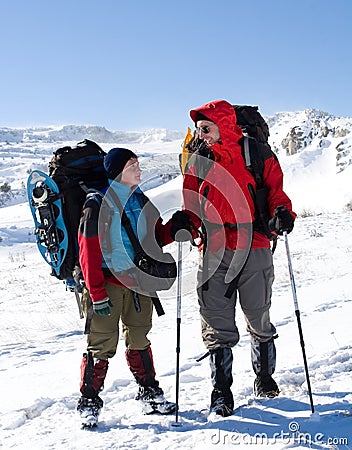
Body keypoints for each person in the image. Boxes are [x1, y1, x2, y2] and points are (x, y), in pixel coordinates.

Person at [170, 99, 296, 417]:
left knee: (258, 315)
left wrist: (283, 213)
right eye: (199, 129)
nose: (201, 134)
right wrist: (186, 222)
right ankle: (221, 392)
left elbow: (276, 191)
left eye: (206, 128)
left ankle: (265, 379)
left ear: (223, 125)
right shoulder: (198, 162)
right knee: (215, 322)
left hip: (254, 244)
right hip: (213, 250)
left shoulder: (256, 153)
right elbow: (193, 204)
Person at [76, 147, 176, 428]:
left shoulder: (140, 200)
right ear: (119, 171)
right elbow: (88, 253)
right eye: (133, 164)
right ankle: (89, 402)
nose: (140, 169)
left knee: (140, 340)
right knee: (100, 346)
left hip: (138, 284)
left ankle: (150, 394)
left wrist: (177, 228)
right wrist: (96, 294)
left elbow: (155, 239)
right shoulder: (97, 204)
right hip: (106, 287)